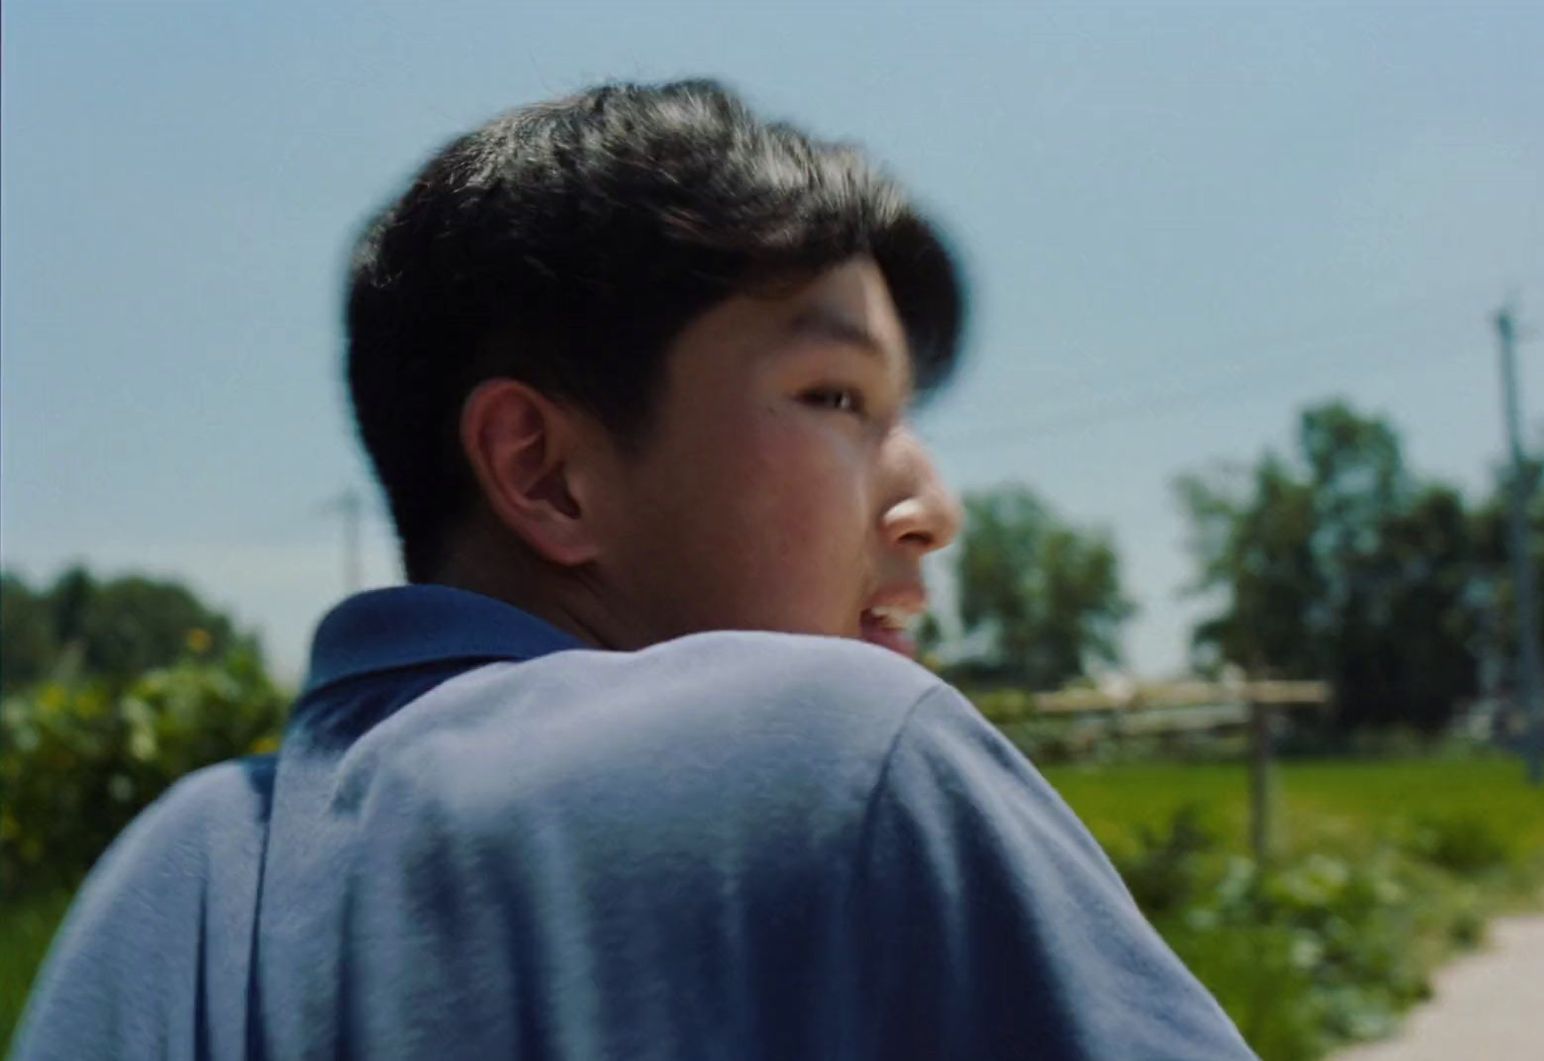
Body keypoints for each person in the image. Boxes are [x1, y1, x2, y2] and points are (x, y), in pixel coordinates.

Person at [15, 80, 1254, 1059]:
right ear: (545, 471)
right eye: (836, 397)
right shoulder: (835, 747)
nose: (934, 504)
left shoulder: (170, 873)